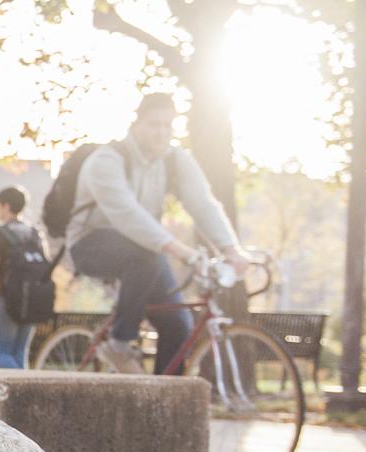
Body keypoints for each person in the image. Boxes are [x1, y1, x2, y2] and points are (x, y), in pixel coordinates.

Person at [64, 93, 254, 376]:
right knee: (144, 256)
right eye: (154, 124)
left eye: (168, 125)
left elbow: (203, 204)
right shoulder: (106, 160)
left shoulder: (175, 160)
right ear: (136, 123)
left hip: (145, 251)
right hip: (90, 243)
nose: (161, 132)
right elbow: (128, 215)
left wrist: (230, 249)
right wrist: (180, 250)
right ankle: (118, 343)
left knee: (179, 324)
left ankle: (163, 403)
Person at [0, 186, 46, 368]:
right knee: (19, 353)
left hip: (7, 299)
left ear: (6, 206)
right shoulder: (33, 233)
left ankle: (22, 394)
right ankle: (22, 394)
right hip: (32, 300)